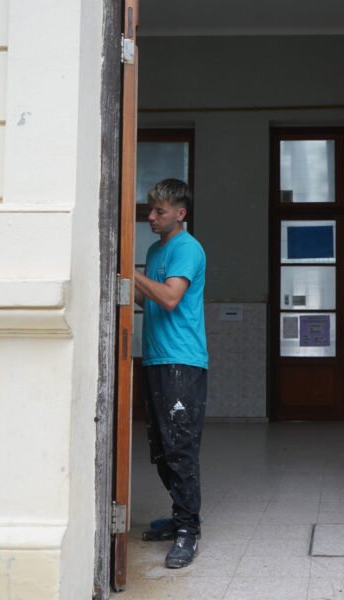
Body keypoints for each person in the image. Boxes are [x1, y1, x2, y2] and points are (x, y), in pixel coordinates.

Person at [134, 178, 208, 568]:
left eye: (159, 211)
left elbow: (168, 297)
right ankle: (180, 517)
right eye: (150, 210)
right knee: (162, 449)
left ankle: (187, 532)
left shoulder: (187, 248)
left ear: (180, 213)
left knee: (180, 449)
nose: (151, 217)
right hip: (155, 359)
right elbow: (146, 298)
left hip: (182, 361)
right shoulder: (154, 250)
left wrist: (130, 273)